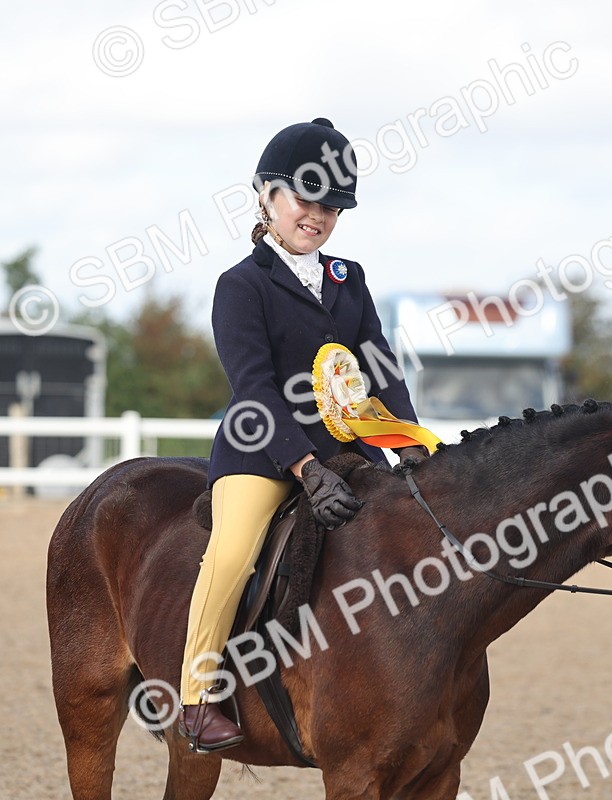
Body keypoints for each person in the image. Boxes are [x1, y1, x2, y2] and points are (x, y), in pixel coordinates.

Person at [178, 117, 429, 752]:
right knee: (233, 552)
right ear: (267, 195)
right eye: (305, 199)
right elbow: (255, 390)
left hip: (351, 450)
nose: (317, 215)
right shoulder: (241, 286)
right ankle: (197, 693)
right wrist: (306, 467)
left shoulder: (350, 279)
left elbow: (380, 369)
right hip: (263, 453)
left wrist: (406, 447)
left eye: (331, 206)